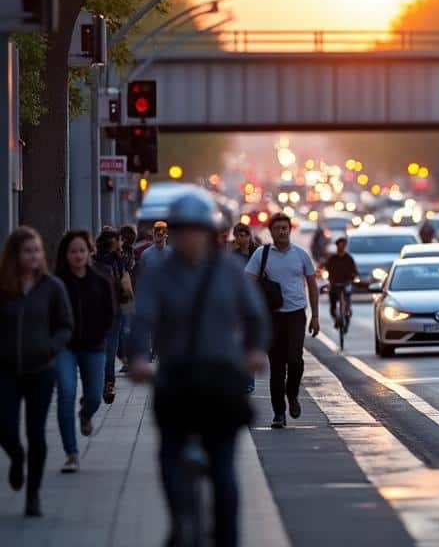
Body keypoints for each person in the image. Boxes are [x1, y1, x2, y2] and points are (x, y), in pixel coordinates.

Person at [128, 187, 269, 547]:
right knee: (170, 460)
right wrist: (138, 358)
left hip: (220, 381)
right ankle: (180, 520)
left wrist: (255, 352)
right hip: (175, 380)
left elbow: (255, 316)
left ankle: (227, 538)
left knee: (223, 472)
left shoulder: (228, 271)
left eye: (196, 230)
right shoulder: (159, 273)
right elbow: (142, 319)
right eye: (181, 230)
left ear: (209, 232)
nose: (188, 237)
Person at [0, 227, 73, 517]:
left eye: (37, 250)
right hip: (5, 370)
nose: (34, 256)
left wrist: (50, 348)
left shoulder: (52, 287)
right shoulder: (4, 286)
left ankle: (33, 494)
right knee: (5, 427)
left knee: (36, 432)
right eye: (27, 251)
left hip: (40, 369)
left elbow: (65, 325)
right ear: (15, 255)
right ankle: (17, 456)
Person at [244, 213, 319, 429]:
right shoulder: (262, 254)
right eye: (277, 228)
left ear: (290, 230)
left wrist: (315, 316)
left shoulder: (300, 255)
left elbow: (312, 284)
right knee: (277, 367)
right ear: (271, 231)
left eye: (285, 228)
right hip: (272, 317)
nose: (282, 231)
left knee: (295, 360)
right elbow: (247, 282)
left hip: (296, 315)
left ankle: (292, 393)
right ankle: (279, 413)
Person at [52, 231, 115, 474]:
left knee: (94, 397)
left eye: (82, 250)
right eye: (73, 251)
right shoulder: (57, 282)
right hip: (65, 347)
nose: (78, 255)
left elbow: (110, 313)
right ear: (65, 255)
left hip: (94, 346)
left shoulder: (100, 280)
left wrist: (100, 334)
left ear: (90, 252)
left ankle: (86, 414)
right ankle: (71, 453)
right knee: (66, 393)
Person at [94, 229, 134, 404]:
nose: (122, 243)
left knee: (103, 349)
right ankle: (108, 383)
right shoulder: (118, 261)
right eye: (119, 240)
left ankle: (104, 382)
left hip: (103, 312)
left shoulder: (95, 261)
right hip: (112, 311)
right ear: (113, 242)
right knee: (109, 348)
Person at [324, 237, 358, 328]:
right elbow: (326, 268)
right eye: (339, 245)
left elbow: (354, 271)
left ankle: (347, 311)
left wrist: (352, 278)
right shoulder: (332, 259)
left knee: (347, 297)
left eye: (343, 245)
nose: (341, 247)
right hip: (335, 283)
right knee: (333, 302)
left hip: (346, 283)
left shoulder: (349, 259)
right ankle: (336, 317)